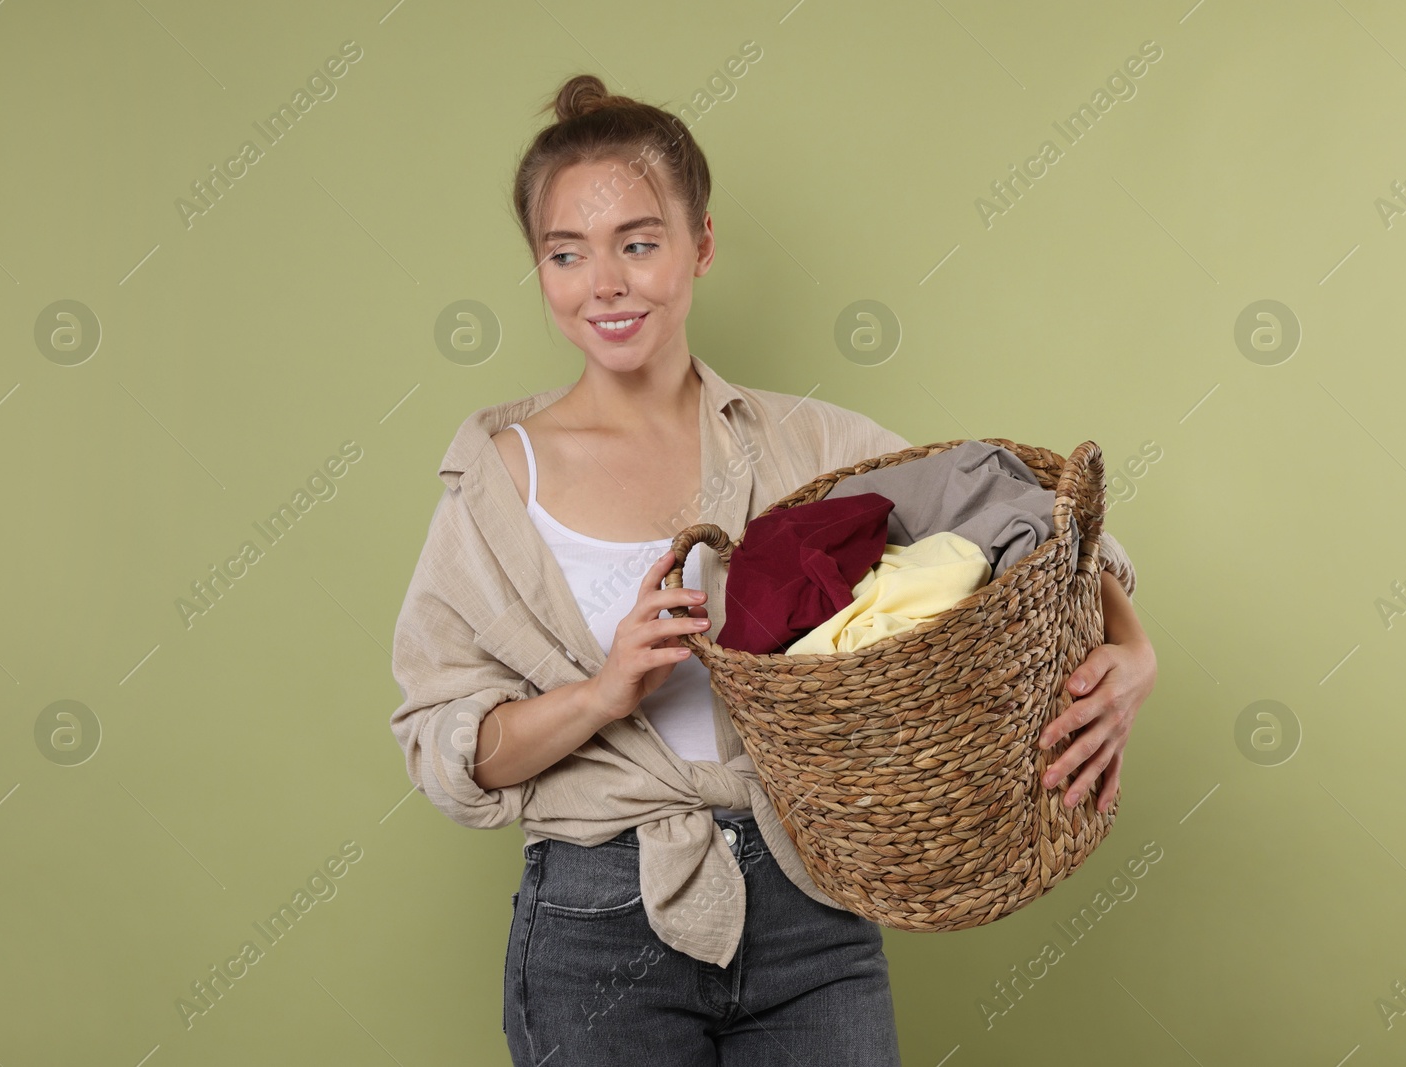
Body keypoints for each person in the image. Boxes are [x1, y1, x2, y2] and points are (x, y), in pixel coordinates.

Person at [388, 73, 1158, 1067]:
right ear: (539, 267)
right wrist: (603, 692)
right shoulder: (496, 482)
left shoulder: (806, 442)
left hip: (811, 902)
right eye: (566, 253)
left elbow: (1029, 530)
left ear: (700, 245)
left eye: (639, 242)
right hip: (592, 923)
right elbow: (452, 751)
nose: (605, 284)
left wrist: (1135, 656)